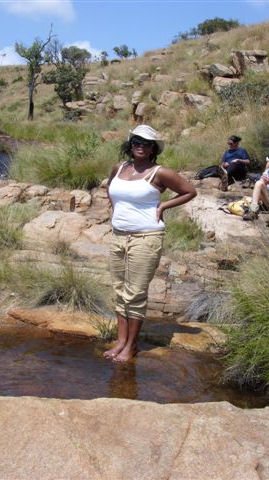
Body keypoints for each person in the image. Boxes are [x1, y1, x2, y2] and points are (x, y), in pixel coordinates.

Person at [104, 125, 196, 362]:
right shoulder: (120, 167)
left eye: (146, 143)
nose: (140, 146)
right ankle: (120, 341)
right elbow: (110, 188)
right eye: (136, 141)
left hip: (146, 238)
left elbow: (189, 191)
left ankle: (131, 347)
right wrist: (118, 213)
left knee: (135, 293)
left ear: (153, 148)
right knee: (119, 290)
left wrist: (163, 206)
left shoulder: (159, 173)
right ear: (130, 144)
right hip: (118, 235)